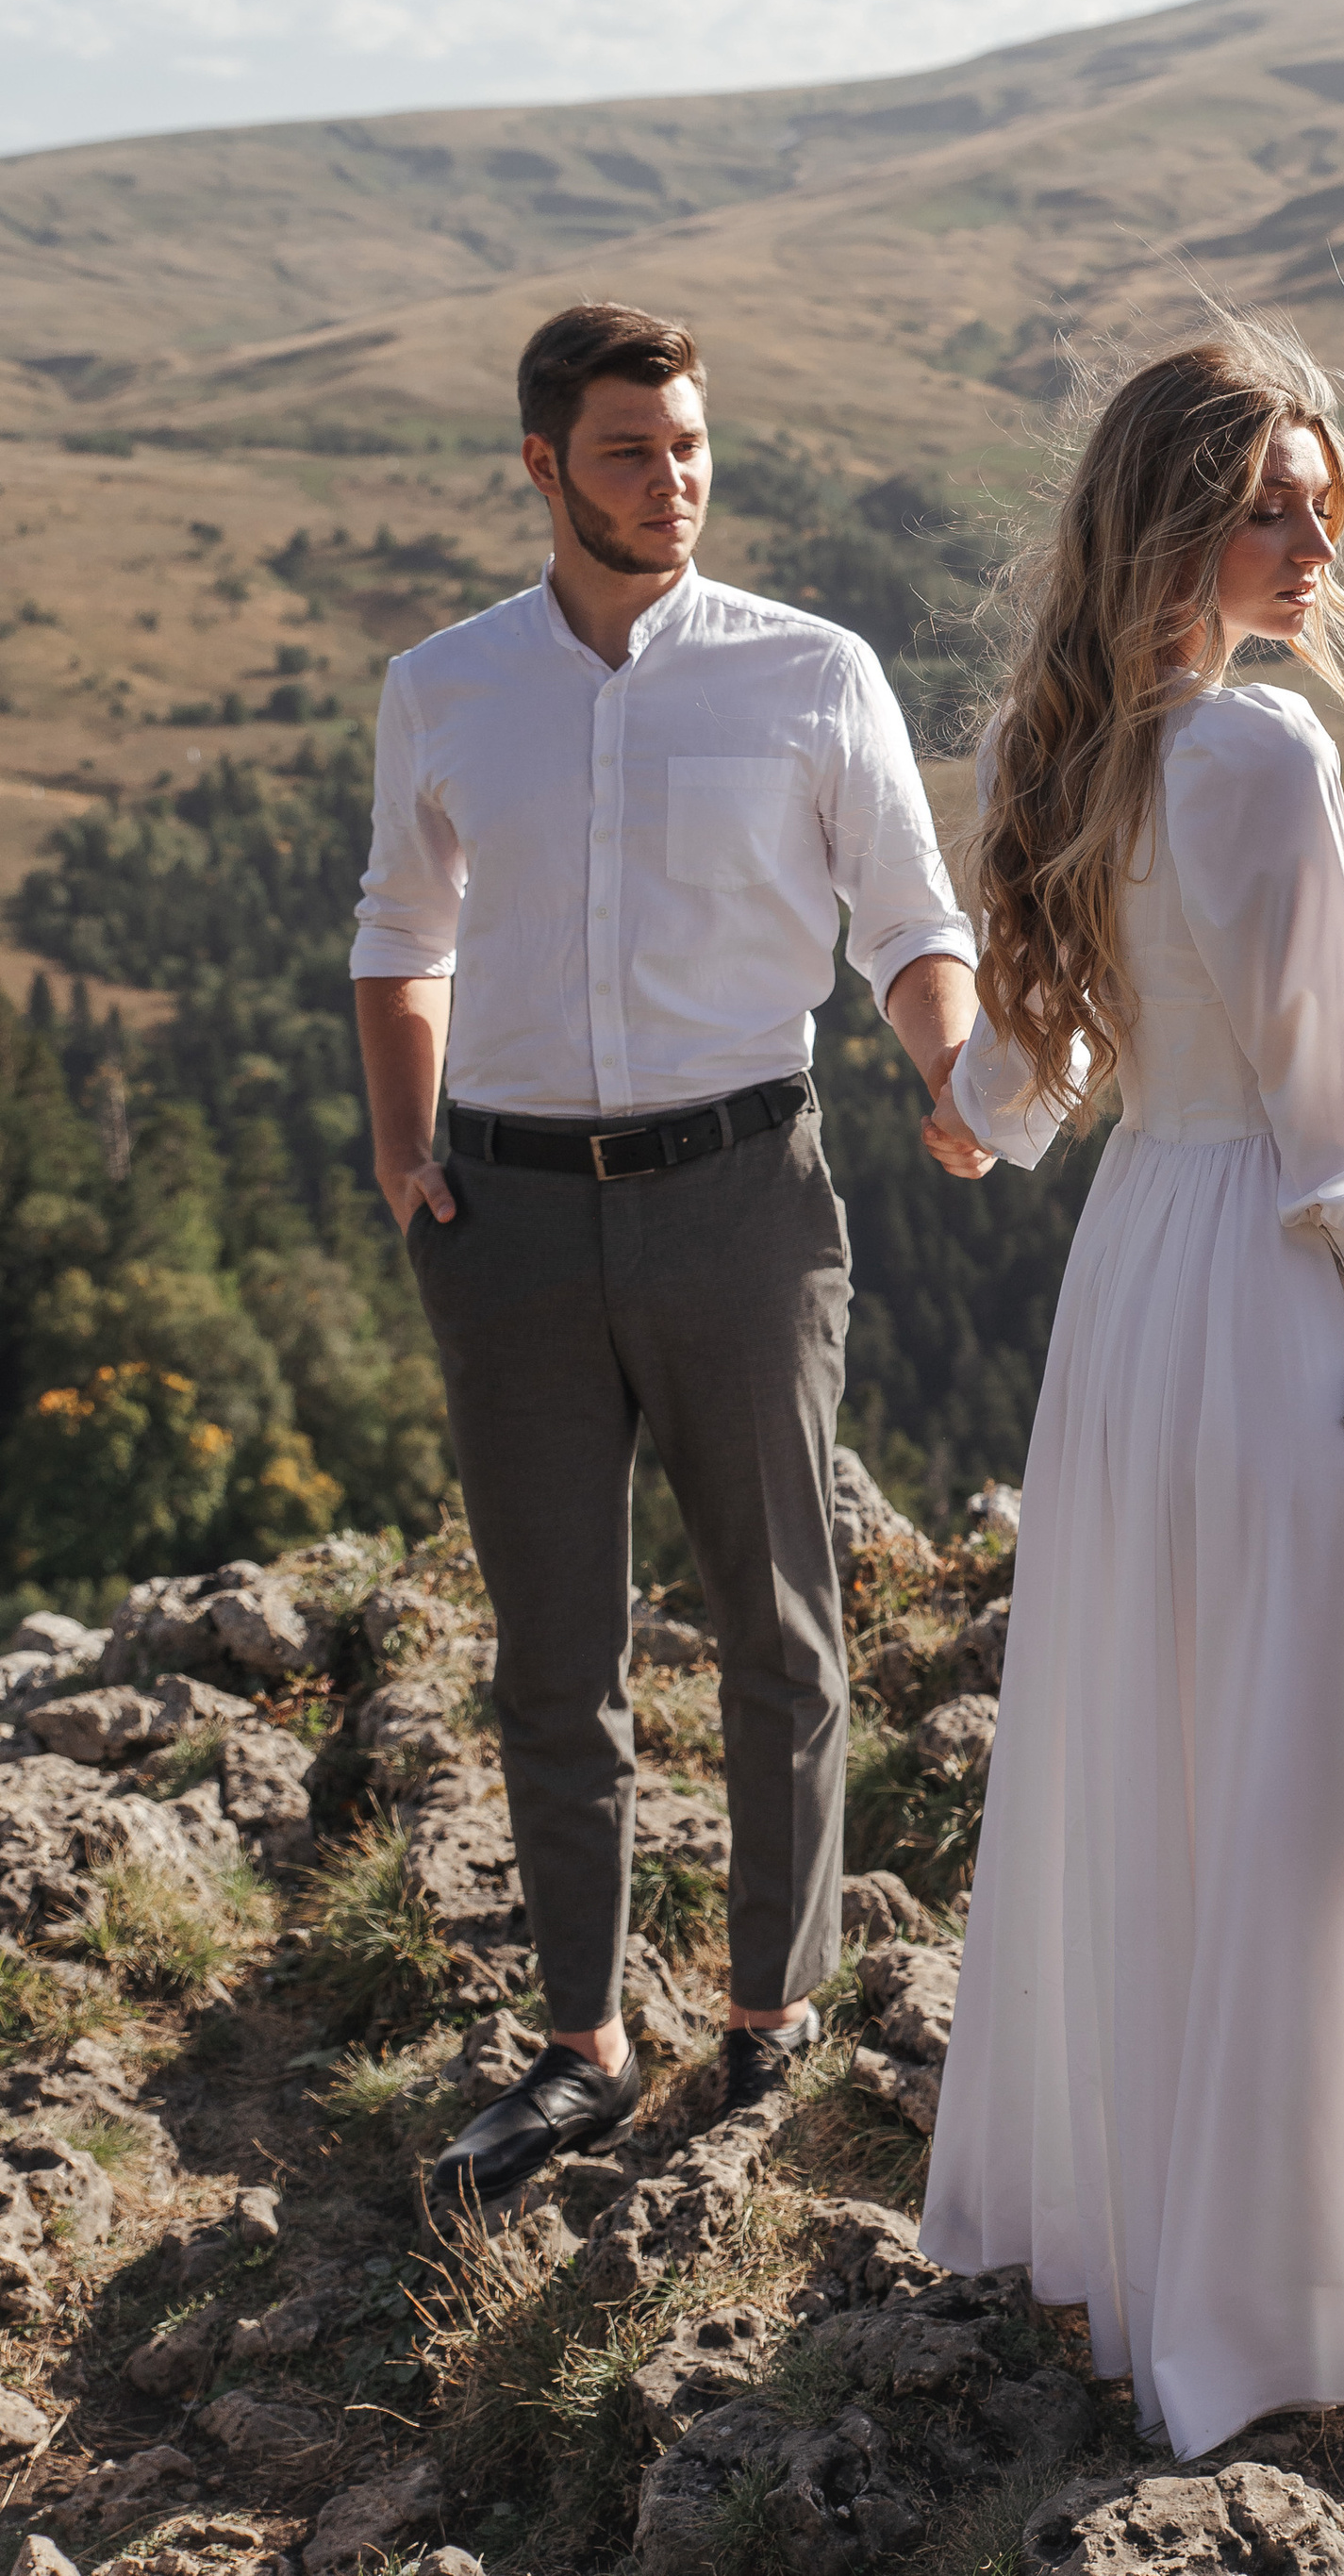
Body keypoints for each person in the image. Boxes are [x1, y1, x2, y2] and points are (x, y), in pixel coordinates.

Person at [916, 318, 1344, 2460]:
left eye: (1322, 505)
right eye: (1271, 506)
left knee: (1157, 1751)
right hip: (1265, 1288)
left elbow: (1019, 1085)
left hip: (1128, 1296)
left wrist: (966, 1111)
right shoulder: (1257, 755)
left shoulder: (1065, 748)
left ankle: (1177, 2254)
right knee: (1300, 1787)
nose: (1314, 544)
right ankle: (1335, 2291)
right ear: (1174, 514)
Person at [348, 299, 993, 2205]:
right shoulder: (445, 686)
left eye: (691, 445)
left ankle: (772, 2017)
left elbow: (909, 918)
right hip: (508, 1219)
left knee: (780, 1625)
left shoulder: (811, 670)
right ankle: (578, 2047)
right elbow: (400, 930)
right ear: (542, 466)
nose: (672, 480)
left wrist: (951, 1067)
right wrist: (404, 1150)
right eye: (629, 451)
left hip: (742, 1201)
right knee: (555, 1653)